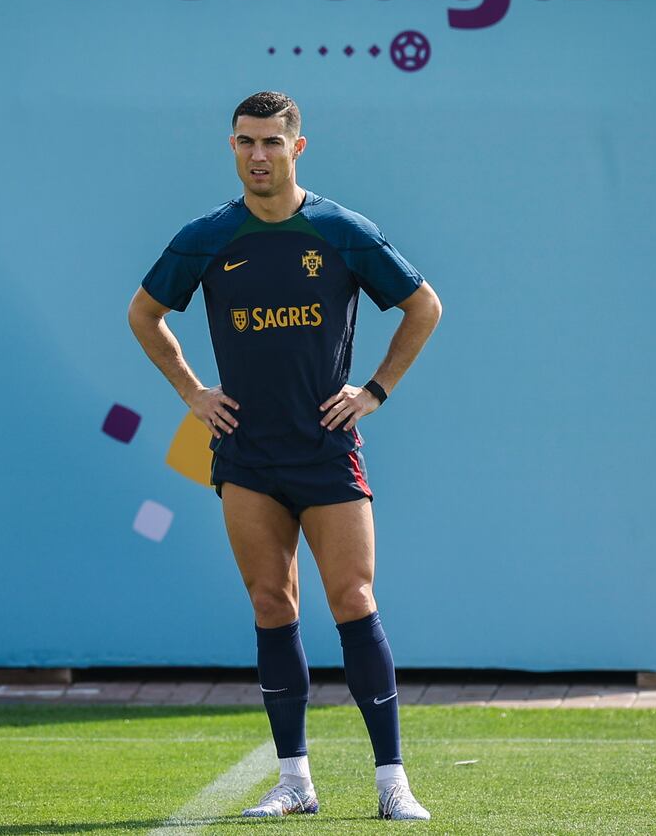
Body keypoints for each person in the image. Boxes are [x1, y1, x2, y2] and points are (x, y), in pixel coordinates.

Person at [128, 91, 442, 821]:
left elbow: (423, 305)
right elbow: (145, 314)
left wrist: (376, 390)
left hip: (327, 452)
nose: (258, 155)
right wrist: (192, 393)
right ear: (231, 147)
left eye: (272, 142)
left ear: (298, 148)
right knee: (272, 605)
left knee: (354, 601)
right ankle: (295, 781)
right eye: (245, 142)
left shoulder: (339, 230)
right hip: (246, 455)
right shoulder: (207, 237)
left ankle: (393, 781)